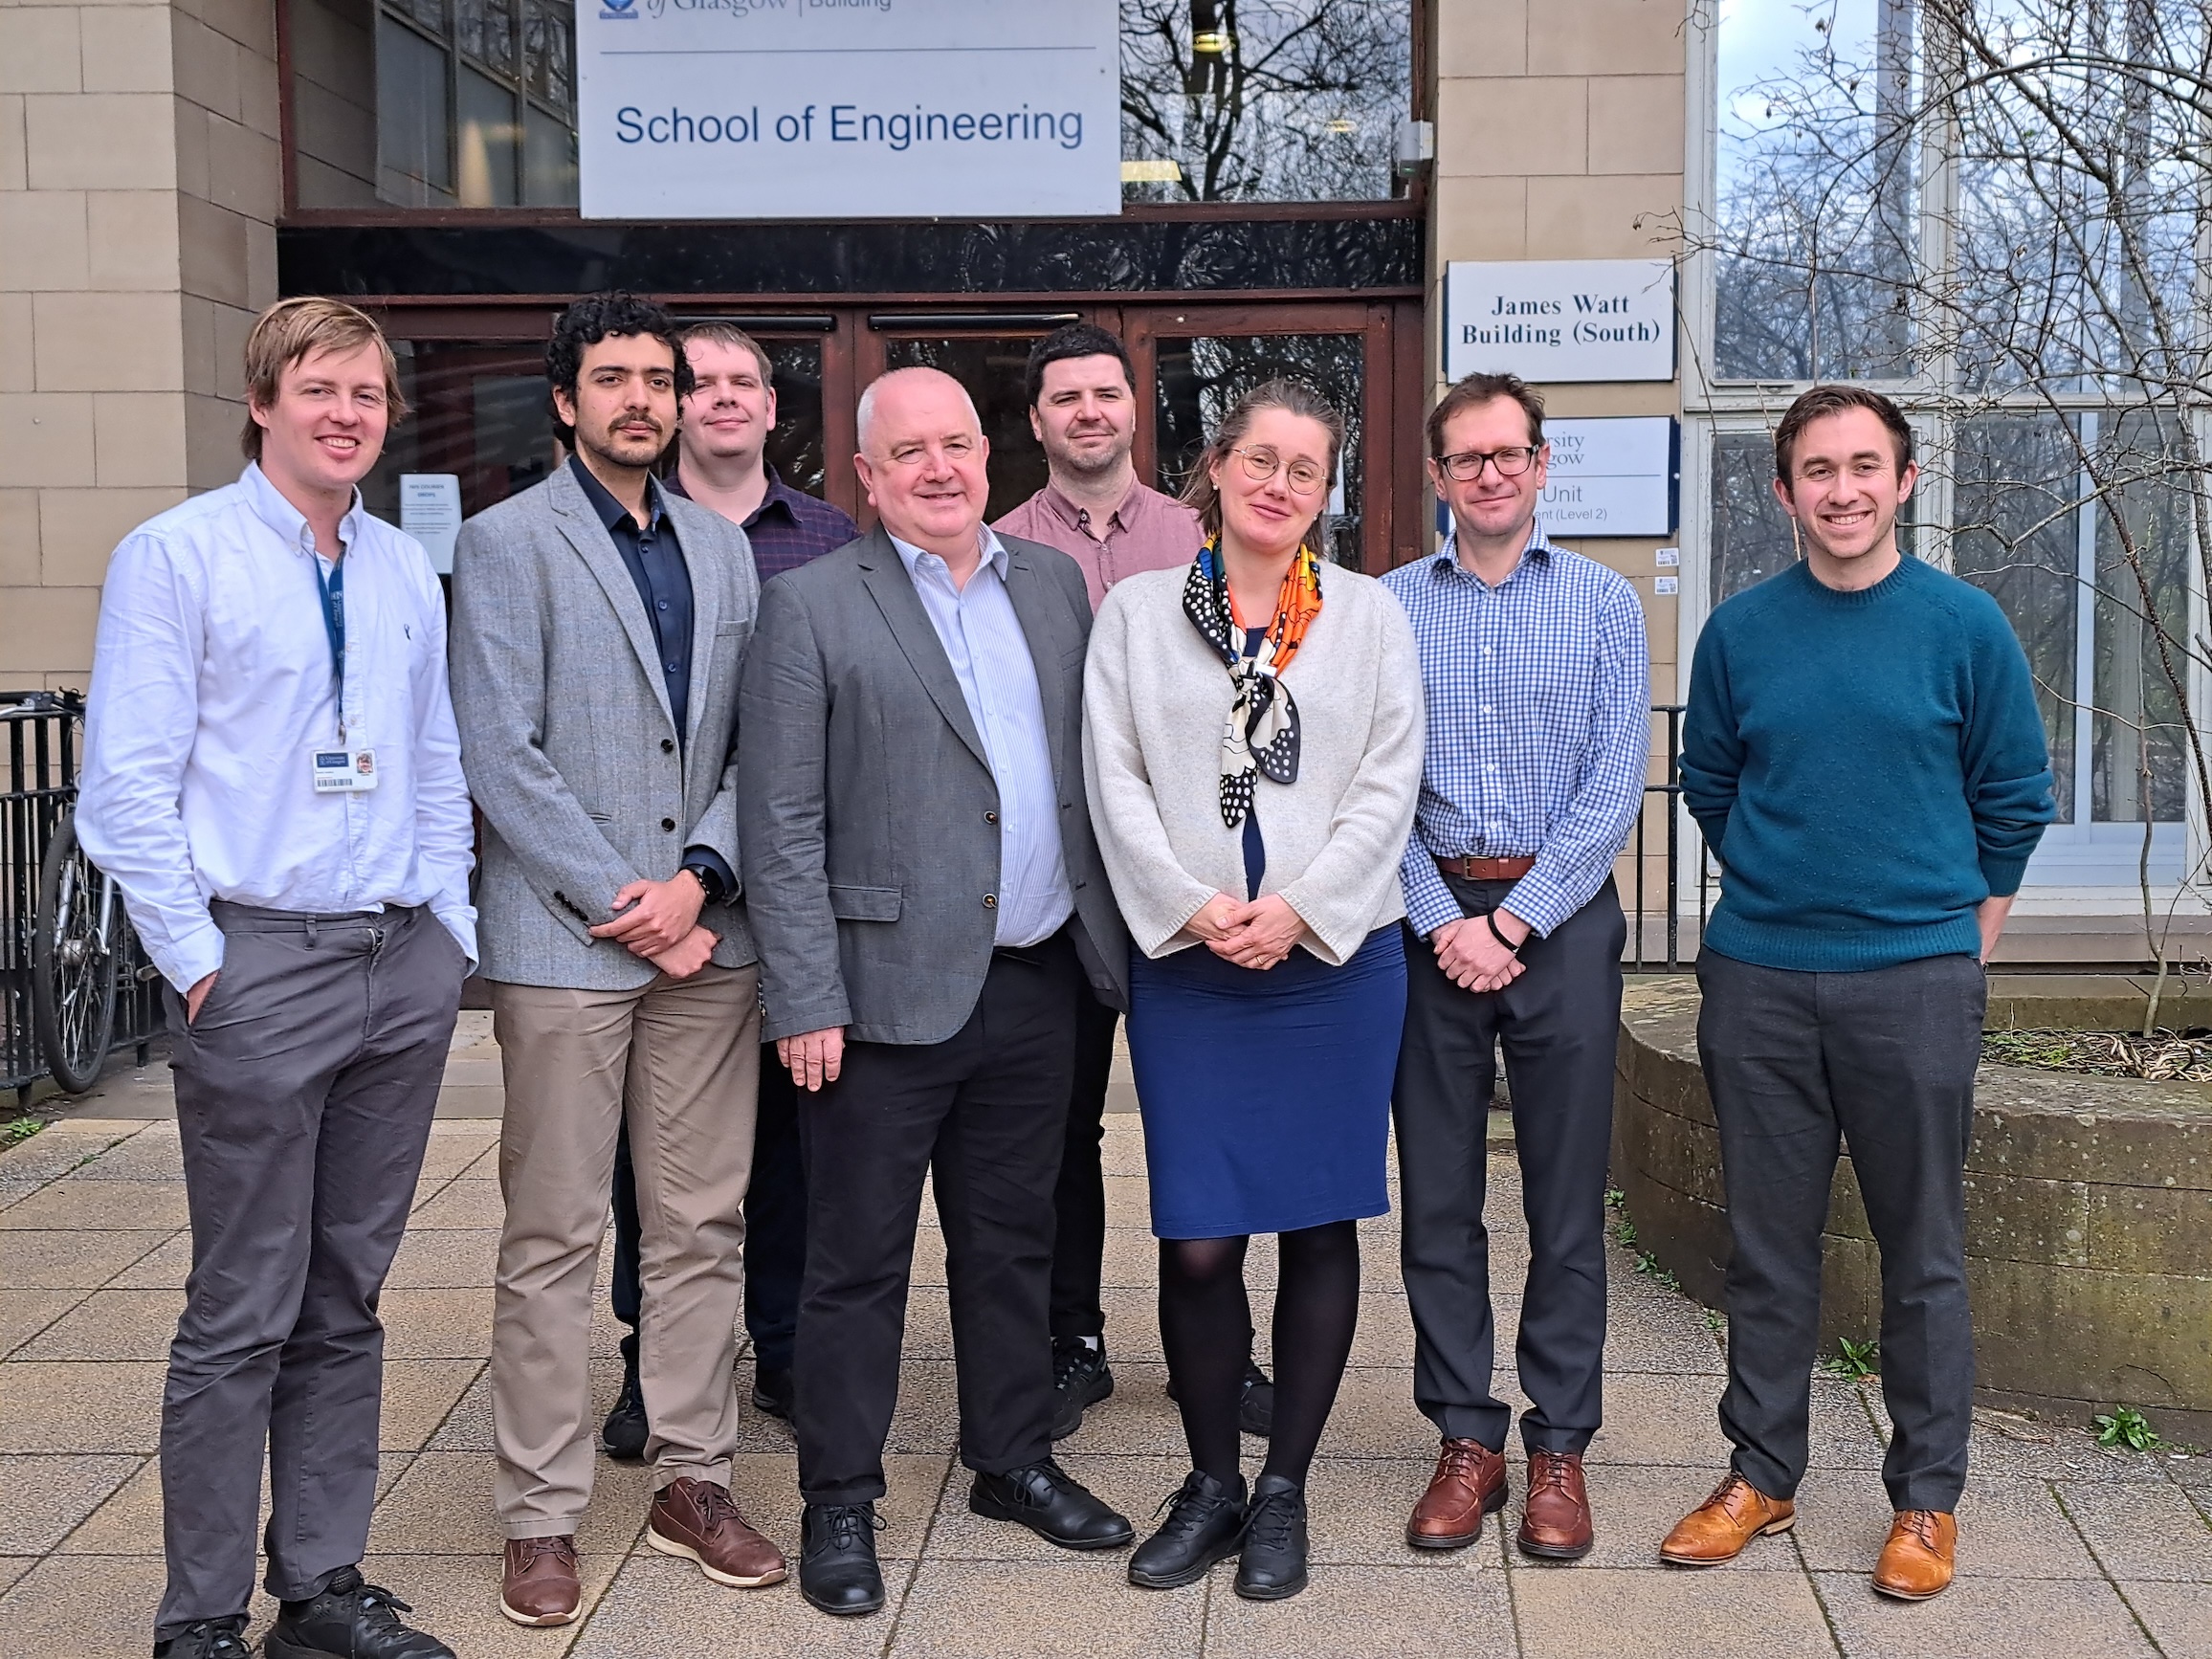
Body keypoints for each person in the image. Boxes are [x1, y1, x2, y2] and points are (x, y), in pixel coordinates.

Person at [77, 297, 473, 1659]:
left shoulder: (402, 567)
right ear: (262, 403)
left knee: (345, 1297)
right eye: (319, 389)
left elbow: (434, 758)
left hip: (397, 962)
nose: (346, 414)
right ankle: (198, 1619)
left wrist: (447, 926)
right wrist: (200, 964)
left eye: (366, 393)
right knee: (240, 1306)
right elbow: (124, 789)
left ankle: (319, 1586)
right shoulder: (176, 556)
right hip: (254, 964)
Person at [738, 365, 1136, 1618]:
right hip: (876, 998)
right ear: (866, 474)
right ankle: (839, 1497)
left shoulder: (1053, 584)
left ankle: (1010, 1459)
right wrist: (804, 995)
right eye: (907, 451)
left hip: (1036, 979)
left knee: (1012, 1245)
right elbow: (779, 821)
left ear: (986, 452)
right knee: (854, 1262)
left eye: (956, 443)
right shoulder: (809, 605)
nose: (939, 468)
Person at [1663, 385, 2055, 1600]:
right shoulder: (1738, 633)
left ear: (1902, 482)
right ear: (1783, 491)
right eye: (1817, 470)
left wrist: (1963, 938)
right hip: (1761, 978)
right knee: (1764, 1247)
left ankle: (1924, 1500)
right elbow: (1709, 781)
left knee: (1920, 1252)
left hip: (1915, 981)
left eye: (1862, 467)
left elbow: (2013, 796)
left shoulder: (1962, 626)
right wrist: (1780, 884)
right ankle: (1760, 1473)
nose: (1841, 490)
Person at [451, 293, 783, 1629]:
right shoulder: (503, 542)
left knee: (701, 1225)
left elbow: (763, 741)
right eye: (614, 378)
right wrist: (626, 899)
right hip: (563, 943)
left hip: (708, 939)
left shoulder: (723, 547)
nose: (641, 399)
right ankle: (540, 1510)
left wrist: (698, 878)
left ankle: (694, 1476)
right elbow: (500, 750)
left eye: (659, 378)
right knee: (553, 1233)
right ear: (565, 399)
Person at [1084, 379, 1424, 1602]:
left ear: (1324, 493)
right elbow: (1113, 775)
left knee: (1319, 1224)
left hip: (1332, 963)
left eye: (1305, 470)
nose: (1279, 485)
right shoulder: (1136, 614)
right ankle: (1210, 1481)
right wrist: (1189, 906)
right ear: (1216, 467)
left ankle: (1280, 1488)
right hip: (1191, 968)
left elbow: (1387, 779)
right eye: (1261, 460)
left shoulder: (1367, 615)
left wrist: (1302, 908)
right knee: (1196, 1242)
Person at [1381, 372, 1648, 1562]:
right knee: (1437, 1200)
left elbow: (1612, 782)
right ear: (1437, 476)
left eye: (1508, 454)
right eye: (1465, 458)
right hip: (1427, 920)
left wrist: (1515, 922)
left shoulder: (1602, 602)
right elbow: (1371, 780)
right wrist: (1442, 916)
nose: (1488, 474)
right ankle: (1464, 1436)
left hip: (1563, 919)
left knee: (1563, 1200)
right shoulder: (1386, 607)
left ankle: (1558, 1444)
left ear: (1541, 465)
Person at [994, 322, 1274, 1441]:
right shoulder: (996, 549)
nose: (1088, 412)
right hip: (1058, 895)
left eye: (1105, 393)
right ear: (1036, 420)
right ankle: (1071, 1343)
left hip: (1189, 886)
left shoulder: (1197, 537)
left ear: (1131, 408)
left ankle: (1217, 1351)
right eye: (1065, 397)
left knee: (1203, 1124)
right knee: (1053, 1135)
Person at [597, 321, 859, 1461]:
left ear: (770, 406)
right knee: (649, 1155)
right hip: (660, 905)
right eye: (695, 381)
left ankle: (786, 1347)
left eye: (741, 381)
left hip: (790, 895)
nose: (720, 398)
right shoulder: (621, 537)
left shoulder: (833, 539)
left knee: (795, 1145)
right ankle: (650, 1363)